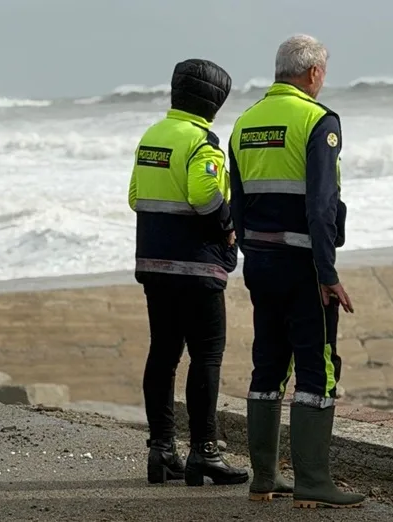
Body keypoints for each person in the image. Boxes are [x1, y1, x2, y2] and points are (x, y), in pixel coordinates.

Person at [229, 34, 365, 508]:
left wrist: (251, 255)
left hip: (260, 264)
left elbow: (237, 204)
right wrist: (327, 273)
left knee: (267, 363)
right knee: (317, 367)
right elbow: (322, 205)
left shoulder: (244, 123)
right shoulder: (317, 120)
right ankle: (312, 482)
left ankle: (263, 479)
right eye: (323, 73)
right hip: (305, 266)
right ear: (312, 74)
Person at [128, 58, 249, 487]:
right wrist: (228, 225)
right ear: (212, 102)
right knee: (207, 355)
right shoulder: (203, 143)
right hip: (197, 269)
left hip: (154, 265)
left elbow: (134, 195)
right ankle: (205, 453)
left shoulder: (152, 137)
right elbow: (203, 193)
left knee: (163, 352)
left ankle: (161, 450)